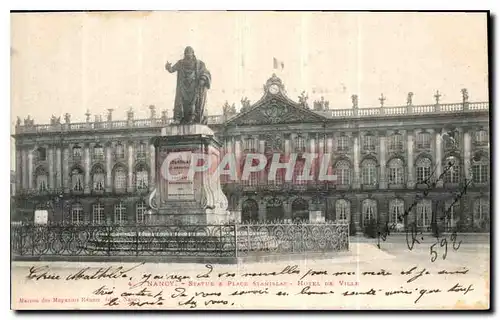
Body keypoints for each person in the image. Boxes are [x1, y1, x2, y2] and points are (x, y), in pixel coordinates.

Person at [165, 46, 211, 124]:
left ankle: (192, 118)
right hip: (183, 87)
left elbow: (205, 72)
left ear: (193, 54)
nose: (188, 55)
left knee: (193, 103)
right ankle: (178, 119)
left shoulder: (199, 63)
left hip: (194, 87)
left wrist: (203, 79)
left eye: (189, 53)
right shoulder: (180, 63)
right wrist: (168, 67)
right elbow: (172, 69)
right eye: (186, 53)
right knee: (180, 102)